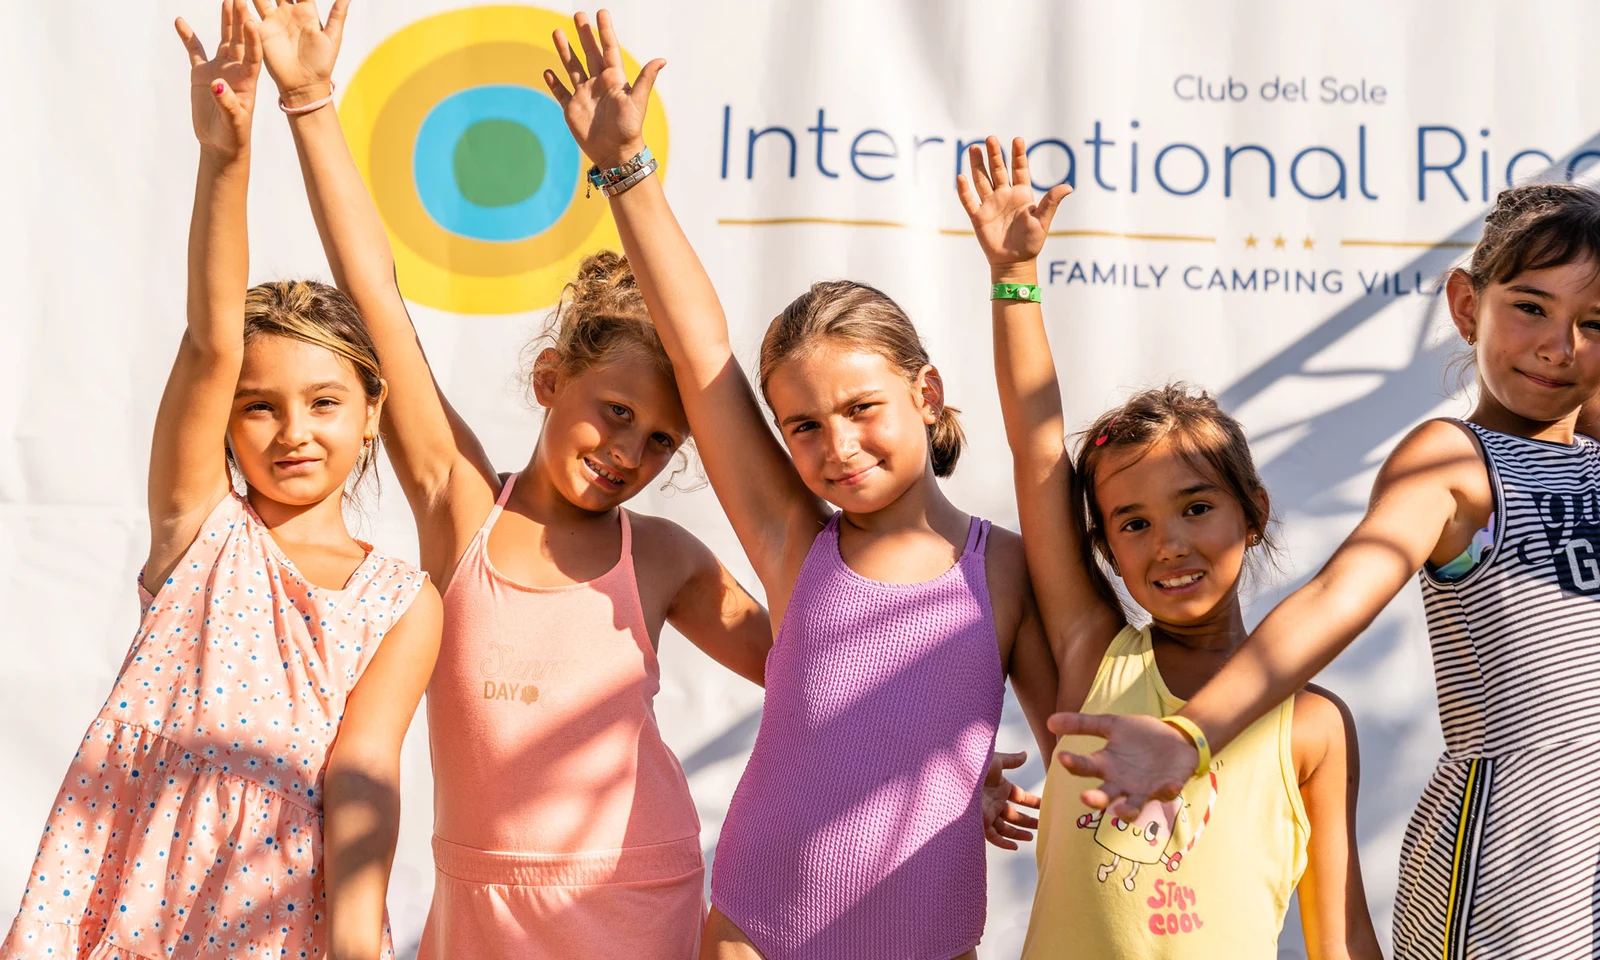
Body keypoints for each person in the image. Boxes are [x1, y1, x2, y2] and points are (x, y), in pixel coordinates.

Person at [250, 1, 773, 956]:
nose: (629, 453)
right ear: (550, 380)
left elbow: (815, 672)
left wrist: (943, 770)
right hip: (484, 909)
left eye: (660, 442)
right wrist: (309, 100)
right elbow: (376, 294)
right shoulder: (457, 502)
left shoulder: (662, 556)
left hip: (643, 895)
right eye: (616, 414)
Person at [544, 13, 1060, 959]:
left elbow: (1073, 735)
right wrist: (626, 169)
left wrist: (960, 784)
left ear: (927, 392)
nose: (838, 446)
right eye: (804, 427)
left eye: (863, 408)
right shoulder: (797, 541)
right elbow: (700, 349)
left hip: (929, 940)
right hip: (755, 935)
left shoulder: (1010, 570)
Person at [1052, 183, 1600, 957]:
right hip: (1514, 846)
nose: (1560, 346)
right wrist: (1192, 734)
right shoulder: (1454, 461)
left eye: (1593, 323)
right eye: (1532, 308)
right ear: (1467, 306)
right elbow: (1336, 597)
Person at [2, 4, 441, 957]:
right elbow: (210, 342)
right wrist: (227, 155)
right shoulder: (201, 527)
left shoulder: (403, 598)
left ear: (373, 410)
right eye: (260, 407)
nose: (293, 432)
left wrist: (360, 947)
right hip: (129, 887)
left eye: (325, 403)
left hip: (278, 910)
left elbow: (365, 773)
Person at [959, 135, 1381, 959]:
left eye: (1195, 507)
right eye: (1135, 524)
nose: (1169, 545)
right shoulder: (1092, 657)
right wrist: (1015, 280)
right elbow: (1038, 451)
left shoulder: (1312, 725)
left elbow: (1343, 937)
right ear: (1106, 550)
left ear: (1251, 513)